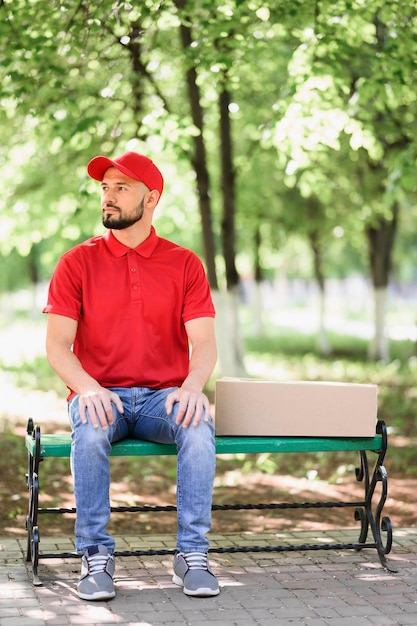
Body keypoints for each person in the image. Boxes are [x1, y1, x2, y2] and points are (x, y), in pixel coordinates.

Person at [43, 151, 219, 601]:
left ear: (151, 197)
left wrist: (193, 387)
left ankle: (192, 555)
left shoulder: (185, 263)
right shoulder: (76, 262)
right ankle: (95, 557)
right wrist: (87, 388)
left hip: (165, 398)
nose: (109, 197)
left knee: (198, 426)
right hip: (103, 393)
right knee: (92, 429)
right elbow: (57, 346)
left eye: (121, 187)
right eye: (105, 188)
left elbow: (204, 342)